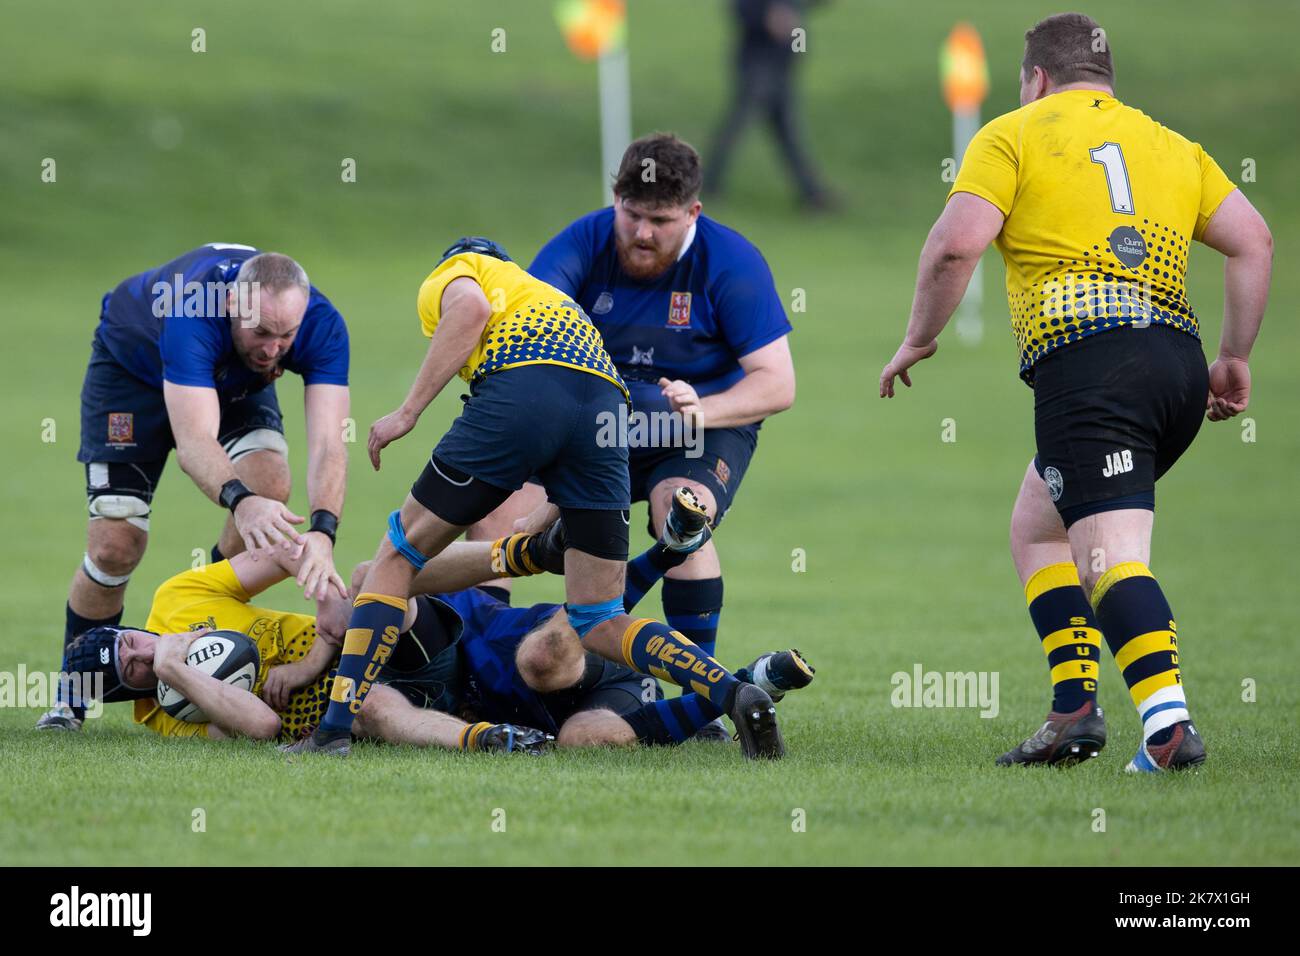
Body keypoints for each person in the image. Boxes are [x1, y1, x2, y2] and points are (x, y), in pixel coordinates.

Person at [879, 13, 1272, 772]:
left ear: (1036, 78)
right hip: (1179, 367)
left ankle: (1168, 729)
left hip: (1091, 369)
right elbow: (1254, 240)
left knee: (1110, 557)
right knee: (1039, 528)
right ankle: (1073, 713)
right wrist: (1234, 357)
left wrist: (920, 336)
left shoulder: (1014, 132)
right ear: (1106, 81)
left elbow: (956, 243)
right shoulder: (1170, 144)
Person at [287, 237, 786, 758]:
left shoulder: (462, 270)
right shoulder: (549, 297)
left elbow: (473, 311)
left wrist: (407, 412)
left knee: (398, 554)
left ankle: (332, 732)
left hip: (523, 386)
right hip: (605, 408)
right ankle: (734, 691)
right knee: (598, 616)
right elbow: (571, 407)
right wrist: (550, 515)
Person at [527, 133, 796, 740]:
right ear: (614, 200)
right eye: (633, 215)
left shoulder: (732, 262)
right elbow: (525, 326)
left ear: (692, 214)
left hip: (698, 429)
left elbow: (777, 384)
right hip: (594, 425)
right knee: (502, 514)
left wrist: (702, 409)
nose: (643, 233)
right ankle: (481, 670)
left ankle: (701, 698)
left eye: (661, 221)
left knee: (683, 514)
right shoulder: (581, 243)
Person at [38, 244, 352, 732]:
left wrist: (323, 532)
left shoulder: (322, 323)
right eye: (262, 332)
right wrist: (240, 503)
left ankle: (209, 618)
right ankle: (70, 702)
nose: (273, 349)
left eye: (286, 335)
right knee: (116, 546)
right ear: (232, 305)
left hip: (230, 373)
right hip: (132, 375)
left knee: (269, 480)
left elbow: (331, 443)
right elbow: (194, 441)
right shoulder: (191, 308)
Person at [704, 0, 835, 209]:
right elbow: (740, 9)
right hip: (759, 66)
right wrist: (766, 17)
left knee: (787, 134)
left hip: (783, 66)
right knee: (738, 127)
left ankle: (812, 193)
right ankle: (707, 184)